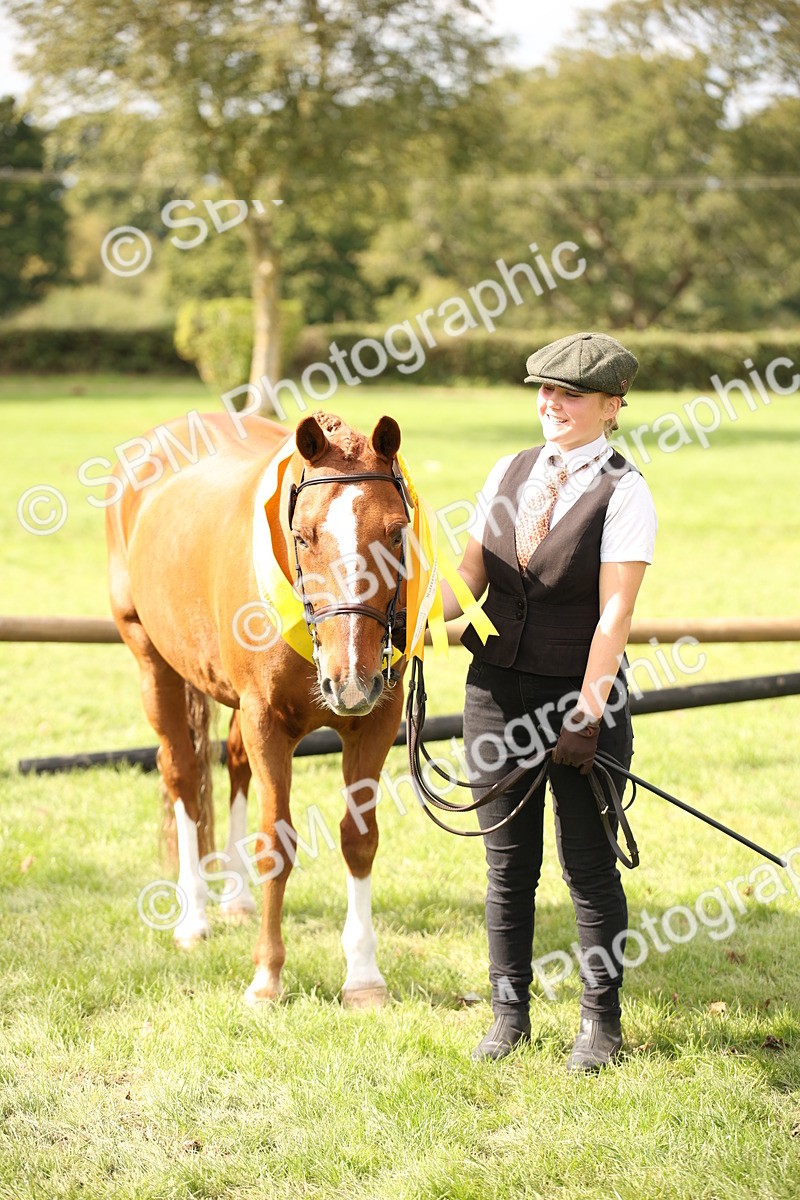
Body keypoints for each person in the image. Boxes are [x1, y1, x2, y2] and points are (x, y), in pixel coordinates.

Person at [439, 331, 657, 1072]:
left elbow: (613, 618)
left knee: (589, 867)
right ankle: (509, 1015)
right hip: (494, 693)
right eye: (544, 390)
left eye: (569, 394)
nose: (550, 404)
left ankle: (600, 1025)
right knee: (507, 865)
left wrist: (589, 716)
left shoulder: (625, 490)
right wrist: (402, 614)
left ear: (610, 405)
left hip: (578, 698)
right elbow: (468, 578)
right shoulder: (508, 469)